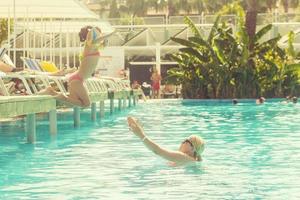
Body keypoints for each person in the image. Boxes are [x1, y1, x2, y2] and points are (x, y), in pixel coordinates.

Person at [40, 26, 104, 107]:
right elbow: (95, 35)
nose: (99, 35)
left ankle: (52, 92)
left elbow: (103, 42)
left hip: (77, 79)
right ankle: (60, 96)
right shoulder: (89, 46)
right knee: (86, 104)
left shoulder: (94, 47)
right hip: (77, 80)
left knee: (74, 102)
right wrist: (93, 30)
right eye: (98, 34)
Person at [127, 116, 205, 165]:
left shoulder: (183, 157)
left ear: (193, 148)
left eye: (186, 141)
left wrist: (141, 135)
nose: (182, 142)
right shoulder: (191, 160)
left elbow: (157, 150)